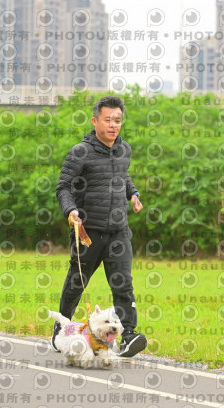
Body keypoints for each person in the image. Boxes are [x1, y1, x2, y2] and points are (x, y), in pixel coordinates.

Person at [52, 95, 147, 357]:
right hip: (88, 232)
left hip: (118, 230)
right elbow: (63, 187)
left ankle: (128, 335)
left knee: (123, 284)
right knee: (77, 282)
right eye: (108, 120)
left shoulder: (124, 149)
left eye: (118, 120)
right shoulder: (80, 152)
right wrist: (71, 210)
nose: (113, 125)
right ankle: (62, 327)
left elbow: (121, 175)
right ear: (95, 121)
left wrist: (133, 193)